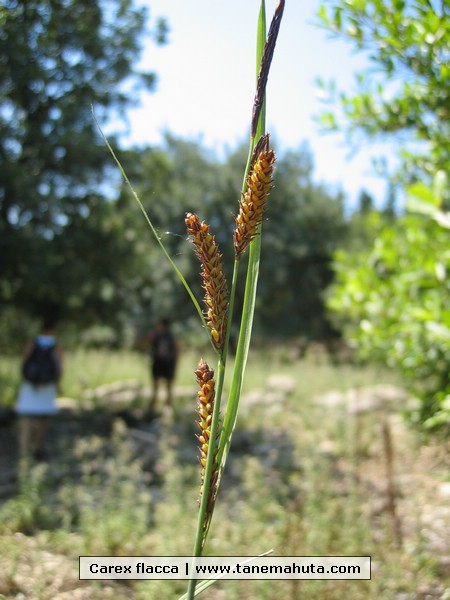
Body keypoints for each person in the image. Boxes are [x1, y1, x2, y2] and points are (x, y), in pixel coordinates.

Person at [16, 317, 63, 460]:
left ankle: (23, 451)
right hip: (47, 386)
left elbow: (24, 363)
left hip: (31, 385)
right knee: (43, 419)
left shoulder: (32, 344)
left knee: (27, 418)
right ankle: (38, 448)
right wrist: (58, 384)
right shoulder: (56, 347)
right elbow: (59, 369)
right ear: (54, 329)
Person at [148, 317, 179, 415]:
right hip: (157, 363)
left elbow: (177, 350)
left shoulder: (170, 337)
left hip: (167, 364)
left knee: (168, 387)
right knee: (155, 387)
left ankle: (168, 408)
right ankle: (152, 408)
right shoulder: (156, 335)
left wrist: (175, 364)